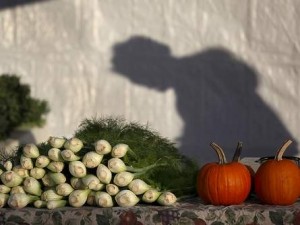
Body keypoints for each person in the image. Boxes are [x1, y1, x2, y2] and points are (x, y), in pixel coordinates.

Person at [112, 36, 298, 164]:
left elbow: (218, 121)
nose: (146, 84)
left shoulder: (193, 77)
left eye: (141, 77)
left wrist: (184, 151)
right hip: (258, 147)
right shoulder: (189, 76)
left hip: (263, 150)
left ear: (153, 65)